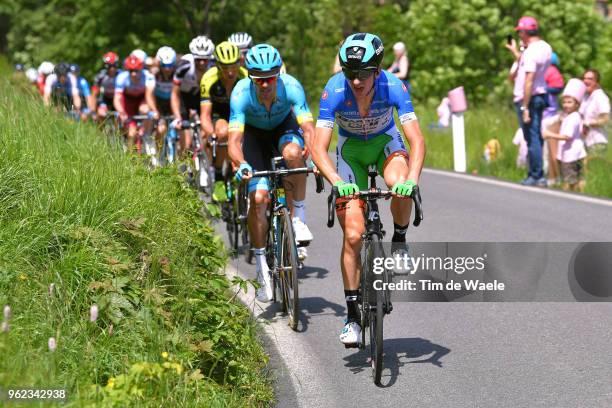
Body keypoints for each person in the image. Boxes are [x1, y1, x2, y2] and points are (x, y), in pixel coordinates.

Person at [311, 33, 425, 346]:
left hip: (385, 143)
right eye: (350, 73)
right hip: (350, 154)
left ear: (376, 70)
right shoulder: (334, 90)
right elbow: (318, 148)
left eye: (362, 74)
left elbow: (416, 139)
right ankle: (352, 317)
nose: (356, 81)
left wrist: (412, 178)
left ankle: (399, 241)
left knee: (398, 184)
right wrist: (336, 180)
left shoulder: (393, 86)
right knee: (352, 236)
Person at [228, 44, 315, 302]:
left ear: (278, 74)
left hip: (282, 130)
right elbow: (234, 141)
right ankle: (261, 268)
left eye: (270, 78)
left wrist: (313, 149)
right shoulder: (241, 93)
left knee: (293, 156)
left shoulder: (292, 86)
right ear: (250, 77)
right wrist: (241, 162)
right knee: (258, 200)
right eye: (259, 79)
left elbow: (308, 128)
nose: (265, 85)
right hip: (254, 138)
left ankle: (297, 219)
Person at [199, 41, 248, 199]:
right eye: (225, 68)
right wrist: (211, 133)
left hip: (240, 114)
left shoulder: (245, 76)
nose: (231, 72)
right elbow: (205, 115)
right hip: (219, 114)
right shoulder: (209, 79)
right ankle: (219, 176)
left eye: (233, 66)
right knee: (222, 133)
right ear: (218, 65)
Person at [507, 16, 552, 187]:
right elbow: (525, 63)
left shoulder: (532, 51)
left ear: (525, 32)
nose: (519, 35)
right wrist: (515, 52)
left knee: (531, 137)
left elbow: (529, 80)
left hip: (529, 98)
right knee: (536, 136)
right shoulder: (545, 47)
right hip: (540, 95)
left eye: (519, 32)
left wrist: (525, 106)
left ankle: (536, 175)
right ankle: (537, 173)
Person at [171, 36, 215, 156]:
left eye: (205, 60)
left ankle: (206, 166)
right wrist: (177, 117)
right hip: (185, 98)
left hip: (204, 99)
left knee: (206, 135)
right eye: (198, 59)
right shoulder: (183, 67)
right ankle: (182, 167)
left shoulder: (214, 67)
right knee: (186, 142)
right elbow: (175, 94)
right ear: (193, 57)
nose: (201, 63)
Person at [543, 78, 587, 192]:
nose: (566, 105)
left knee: (568, 180)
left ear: (577, 104)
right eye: (564, 102)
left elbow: (567, 137)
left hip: (570, 155)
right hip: (578, 153)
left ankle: (566, 199)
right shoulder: (576, 116)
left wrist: (550, 134)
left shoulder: (572, 118)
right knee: (579, 178)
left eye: (569, 102)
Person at [113, 55, 158, 151]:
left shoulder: (148, 76)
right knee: (131, 133)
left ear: (141, 69)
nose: (133, 74)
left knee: (145, 109)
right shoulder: (121, 78)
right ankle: (130, 155)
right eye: (130, 71)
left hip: (143, 99)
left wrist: (154, 111)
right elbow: (117, 98)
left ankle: (145, 135)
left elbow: (149, 96)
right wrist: (121, 112)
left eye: (136, 71)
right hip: (128, 102)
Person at [543, 52, 564, 186]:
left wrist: (541, 88)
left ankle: (550, 175)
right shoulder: (547, 70)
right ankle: (548, 174)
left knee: (548, 149)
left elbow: (557, 87)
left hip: (548, 115)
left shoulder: (551, 70)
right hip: (545, 114)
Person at [580, 69, 610, 156]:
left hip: (597, 142)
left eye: (590, 79)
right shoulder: (585, 97)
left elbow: (605, 119)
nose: (586, 81)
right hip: (585, 142)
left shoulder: (600, 97)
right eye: (584, 78)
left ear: (597, 82)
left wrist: (588, 123)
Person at [154, 46, 177, 142]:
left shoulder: (178, 74)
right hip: (160, 107)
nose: (167, 69)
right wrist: (154, 110)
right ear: (159, 64)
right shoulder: (154, 75)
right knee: (161, 130)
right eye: (164, 66)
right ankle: (158, 155)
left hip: (174, 106)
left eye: (170, 65)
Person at [93, 52, 121, 120]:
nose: (112, 69)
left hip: (119, 99)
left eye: (114, 66)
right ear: (105, 66)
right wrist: (93, 111)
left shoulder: (122, 75)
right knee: (101, 114)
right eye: (109, 66)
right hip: (105, 100)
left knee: (121, 117)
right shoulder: (100, 76)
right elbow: (94, 93)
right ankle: (99, 130)